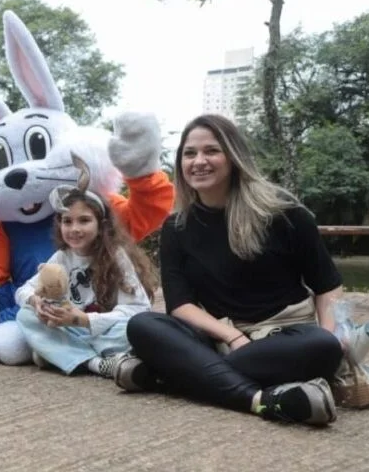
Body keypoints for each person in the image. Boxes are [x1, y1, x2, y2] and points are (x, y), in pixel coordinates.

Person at [114, 114, 344, 426]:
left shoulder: (285, 214)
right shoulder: (176, 227)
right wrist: (232, 336)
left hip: (281, 337)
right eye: (189, 153)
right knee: (143, 325)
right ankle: (263, 399)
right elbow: (180, 305)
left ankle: (175, 373)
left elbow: (326, 285)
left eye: (211, 151)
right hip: (217, 336)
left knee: (324, 346)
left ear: (234, 156)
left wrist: (332, 333)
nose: (199, 161)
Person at [15, 185, 157, 378]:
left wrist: (84, 320)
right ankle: (98, 363)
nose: (74, 229)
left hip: (107, 331)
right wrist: (36, 301)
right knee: (26, 315)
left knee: (138, 329)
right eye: (67, 221)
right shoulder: (62, 257)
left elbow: (138, 310)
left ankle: (60, 353)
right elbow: (24, 290)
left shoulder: (117, 257)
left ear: (101, 226)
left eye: (84, 221)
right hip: (74, 331)